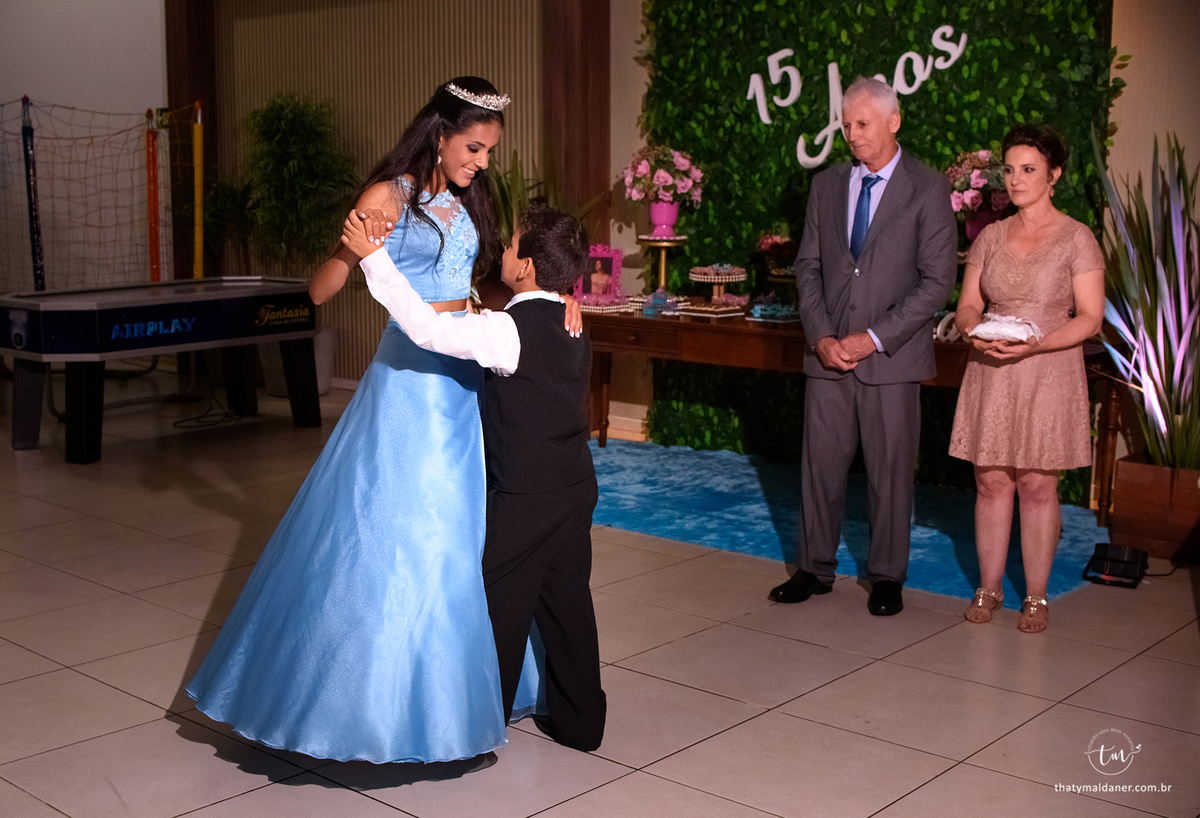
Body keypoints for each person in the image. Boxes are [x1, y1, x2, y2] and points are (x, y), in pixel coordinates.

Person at [186, 77, 549, 764]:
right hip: (408, 384)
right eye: (474, 148)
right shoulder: (386, 197)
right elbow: (325, 284)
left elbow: (476, 289)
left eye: (489, 151)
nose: (482, 163)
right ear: (439, 135)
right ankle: (370, 707)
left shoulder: (464, 196)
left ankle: (457, 695)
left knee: (460, 528)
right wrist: (347, 250)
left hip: (459, 378)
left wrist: (550, 300)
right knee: (402, 529)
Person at [346, 204, 606, 751]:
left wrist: (374, 260)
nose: (503, 253)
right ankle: (583, 725)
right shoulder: (571, 318)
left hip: (527, 496)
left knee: (495, 605)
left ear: (528, 266)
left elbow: (426, 329)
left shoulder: (506, 331)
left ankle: (477, 725)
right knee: (568, 606)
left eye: (511, 247)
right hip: (576, 487)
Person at [768, 76, 957, 615]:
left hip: (891, 360)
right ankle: (813, 569)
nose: (852, 134)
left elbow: (937, 282)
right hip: (826, 356)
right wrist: (822, 335)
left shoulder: (928, 188)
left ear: (894, 122)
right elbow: (808, 267)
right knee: (818, 468)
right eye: (846, 124)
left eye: (863, 124)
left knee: (891, 472)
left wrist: (871, 339)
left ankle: (887, 576)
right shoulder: (826, 186)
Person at [950, 124, 1104, 634]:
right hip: (992, 366)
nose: (1016, 180)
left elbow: (1089, 319)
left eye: (1029, 170)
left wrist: (1036, 342)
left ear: (1054, 175)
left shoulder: (1077, 237)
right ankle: (988, 587)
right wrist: (975, 333)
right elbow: (968, 305)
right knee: (991, 480)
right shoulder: (990, 236)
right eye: (1010, 170)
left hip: (1047, 368)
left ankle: (1035, 597)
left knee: (1038, 484)